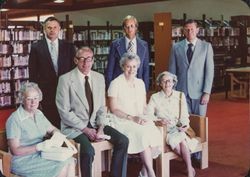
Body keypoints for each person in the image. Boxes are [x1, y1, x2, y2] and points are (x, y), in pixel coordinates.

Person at [56, 47, 129, 177]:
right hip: (75, 127)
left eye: (89, 59)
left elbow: (101, 107)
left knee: (123, 141)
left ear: (93, 60)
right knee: (88, 151)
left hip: (96, 124)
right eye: (82, 59)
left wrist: (101, 127)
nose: (86, 63)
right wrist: (85, 129)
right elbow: (64, 112)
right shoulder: (65, 79)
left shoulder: (99, 78)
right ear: (75, 60)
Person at [107, 52, 161, 177]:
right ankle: (151, 173)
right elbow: (113, 109)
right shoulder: (115, 83)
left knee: (154, 132)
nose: (131, 70)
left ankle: (143, 171)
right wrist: (132, 118)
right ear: (122, 67)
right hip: (122, 120)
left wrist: (150, 117)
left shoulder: (140, 83)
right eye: (128, 66)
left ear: (138, 67)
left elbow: (143, 107)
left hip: (138, 118)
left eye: (134, 67)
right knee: (142, 134)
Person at [5, 82, 75, 177]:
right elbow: (15, 150)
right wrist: (39, 146)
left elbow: (52, 129)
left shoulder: (38, 114)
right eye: (29, 99)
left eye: (36, 98)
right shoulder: (15, 119)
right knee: (63, 165)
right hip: (23, 160)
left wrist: (57, 136)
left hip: (41, 154)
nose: (33, 102)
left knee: (69, 160)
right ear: (22, 100)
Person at [146, 71, 197, 177]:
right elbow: (148, 114)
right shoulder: (155, 97)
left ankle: (189, 170)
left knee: (182, 141)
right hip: (165, 130)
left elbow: (184, 115)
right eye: (163, 81)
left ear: (173, 82)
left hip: (178, 127)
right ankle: (190, 167)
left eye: (169, 81)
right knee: (178, 143)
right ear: (160, 84)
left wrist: (184, 125)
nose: (167, 83)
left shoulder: (180, 95)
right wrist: (158, 120)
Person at [29, 16, 76, 128]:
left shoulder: (68, 46)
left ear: (59, 29)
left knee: (66, 117)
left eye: (55, 27)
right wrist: (35, 92)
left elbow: (74, 69)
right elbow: (33, 72)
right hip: (46, 90)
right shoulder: (36, 47)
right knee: (50, 119)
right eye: (49, 27)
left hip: (66, 89)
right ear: (45, 29)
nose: (52, 30)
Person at [169, 19, 214, 116]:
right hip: (181, 92)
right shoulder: (176, 47)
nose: (190, 32)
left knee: (200, 123)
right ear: (183, 31)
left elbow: (209, 71)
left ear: (197, 30)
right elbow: (172, 72)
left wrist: (207, 92)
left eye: (192, 29)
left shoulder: (206, 47)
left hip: (200, 92)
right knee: (183, 124)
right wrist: (172, 91)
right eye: (187, 29)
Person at [105, 15, 150, 91]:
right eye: (127, 26)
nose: (130, 29)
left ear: (136, 28)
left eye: (132, 26)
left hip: (137, 85)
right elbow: (110, 68)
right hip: (119, 85)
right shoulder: (115, 45)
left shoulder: (144, 45)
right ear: (124, 29)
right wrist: (110, 87)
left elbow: (146, 68)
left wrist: (145, 88)